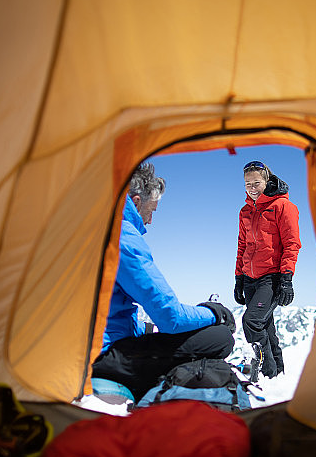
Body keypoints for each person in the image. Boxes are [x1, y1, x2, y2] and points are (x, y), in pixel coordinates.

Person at [92, 162, 235, 403]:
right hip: (106, 357)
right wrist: (215, 313)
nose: (150, 220)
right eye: (152, 210)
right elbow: (171, 318)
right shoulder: (123, 236)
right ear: (136, 202)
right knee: (220, 338)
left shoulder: (97, 228)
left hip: (93, 347)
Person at [234, 160, 301, 380]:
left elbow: (292, 244)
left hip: (271, 278)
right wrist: (239, 278)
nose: (252, 188)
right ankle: (277, 376)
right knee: (266, 326)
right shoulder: (245, 211)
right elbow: (242, 246)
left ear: (266, 181)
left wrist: (286, 279)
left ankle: (265, 372)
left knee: (252, 321)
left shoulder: (283, 206)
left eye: (256, 183)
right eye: (247, 184)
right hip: (250, 278)